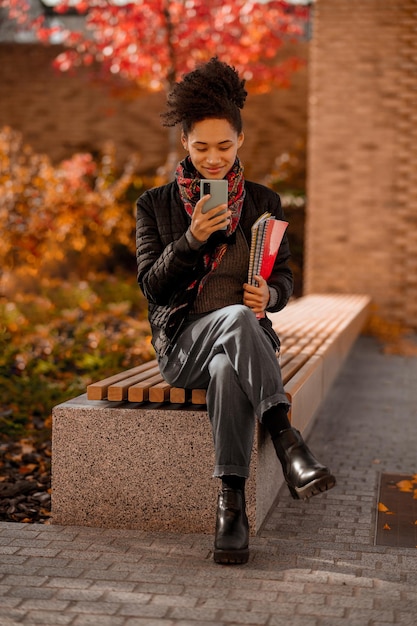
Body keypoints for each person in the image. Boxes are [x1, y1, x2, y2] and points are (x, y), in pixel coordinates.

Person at [136, 57, 335, 565]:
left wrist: (269, 297)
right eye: (201, 147)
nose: (213, 158)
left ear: (240, 141)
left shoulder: (264, 201)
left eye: (224, 146)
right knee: (235, 320)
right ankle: (288, 441)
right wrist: (191, 239)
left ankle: (231, 508)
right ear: (184, 143)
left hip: (239, 350)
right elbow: (153, 289)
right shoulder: (155, 205)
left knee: (230, 364)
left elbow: (286, 278)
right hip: (183, 349)